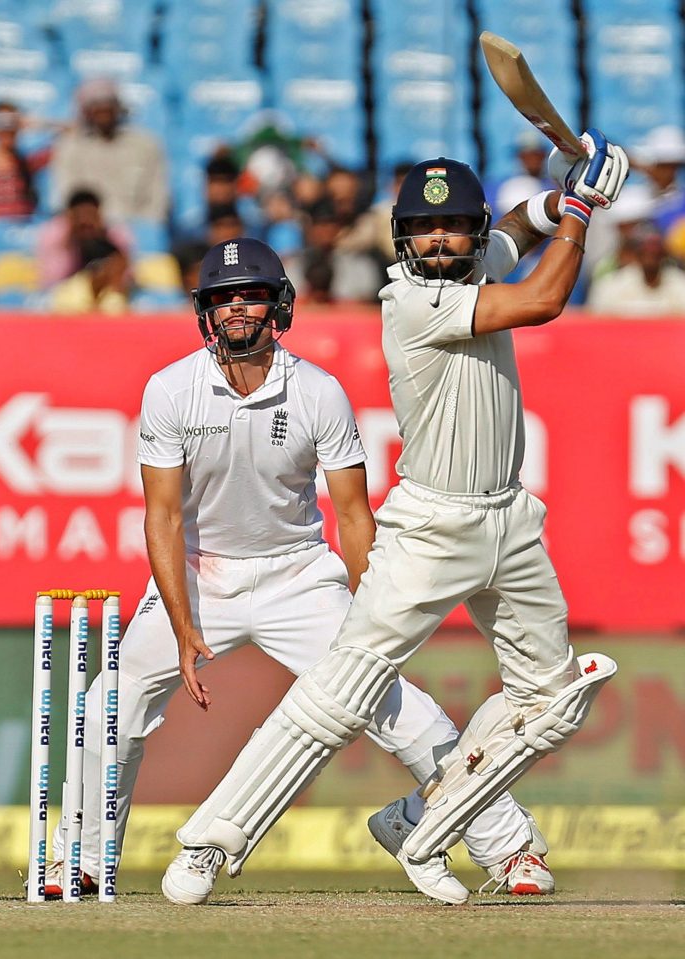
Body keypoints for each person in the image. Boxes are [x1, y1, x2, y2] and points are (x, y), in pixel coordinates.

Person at [161, 132, 628, 904]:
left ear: (471, 236)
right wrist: (582, 208)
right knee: (340, 695)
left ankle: (423, 816)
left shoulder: (475, 264)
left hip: (510, 519)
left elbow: (512, 231)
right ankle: (213, 841)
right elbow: (544, 299)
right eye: (422, 229)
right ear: (402, 240)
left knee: (553, 700)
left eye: (452, 228)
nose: (437, 239)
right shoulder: (413, 299)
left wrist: (550, 200)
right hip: (431, 524)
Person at [40, 238, 555, 902]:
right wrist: (182, 625)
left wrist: (378, 615)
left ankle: (509, 848)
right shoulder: (171, 390)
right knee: (110, 704)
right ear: (204, 309)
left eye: (249, 294)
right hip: (201, 576)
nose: (235, 309)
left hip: (299, 579)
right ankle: (78, 859)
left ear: (278, 303)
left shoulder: (318, 391)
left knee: (401, 709)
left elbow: (353, 516)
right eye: (222, 298)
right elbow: (162, 518)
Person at [50, 78, 169, 224]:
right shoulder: (69, 147)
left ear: (118, 107)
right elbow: (66, 195)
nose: (103, 111)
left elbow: (157, 199)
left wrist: (143, 229)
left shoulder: (146, 145)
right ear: (86, 111)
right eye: (96, 106)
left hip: (137, 229)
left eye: (108, 104)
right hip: (90, 230)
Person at [36, 188, 133, 289]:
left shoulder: (114, 233)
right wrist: (71, 239)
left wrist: (102, 238)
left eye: (91, 214)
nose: (86, 222)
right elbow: (52, 281)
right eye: (80, 215)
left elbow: (128, 277)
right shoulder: (55, 233)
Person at [587, 221, 685, 316]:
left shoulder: (680, 284)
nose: (651, 254)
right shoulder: (611, 286)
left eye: (655, 250)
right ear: (637, 253)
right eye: (646, 250)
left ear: (664, 254)